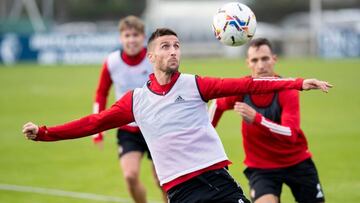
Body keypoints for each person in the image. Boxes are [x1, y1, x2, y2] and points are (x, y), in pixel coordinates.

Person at [23, 28, 331, 203]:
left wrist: (299, 83)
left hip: (217, 182)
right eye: (166, 46)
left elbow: (248, 82)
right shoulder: (135, 101)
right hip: (179, 193)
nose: (173, 51)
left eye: (177, 46)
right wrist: (46, 132)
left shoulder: (196, 84)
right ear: (151, 56)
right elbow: (93, 122)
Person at [209, 38, 326, 203]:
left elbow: (290, 134)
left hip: (297, 162)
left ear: (274, 59)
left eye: (265, 58)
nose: (261, 65)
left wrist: (257, 119)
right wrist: (205, 134)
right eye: (255, 60)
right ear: (248, 63)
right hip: (261, 168)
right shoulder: (243, 88)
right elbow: (217, 104)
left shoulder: (287, 90)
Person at [92, 15, 166, 203]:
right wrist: (97, 130)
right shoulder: (111, 62)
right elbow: (101, 93)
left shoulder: (154, 59)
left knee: (163, 180)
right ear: (120, 38)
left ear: (143, 37)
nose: (131, 39)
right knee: (130, 176)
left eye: (136, 35)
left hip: (156, 127)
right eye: (127, 35)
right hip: (127, 130)